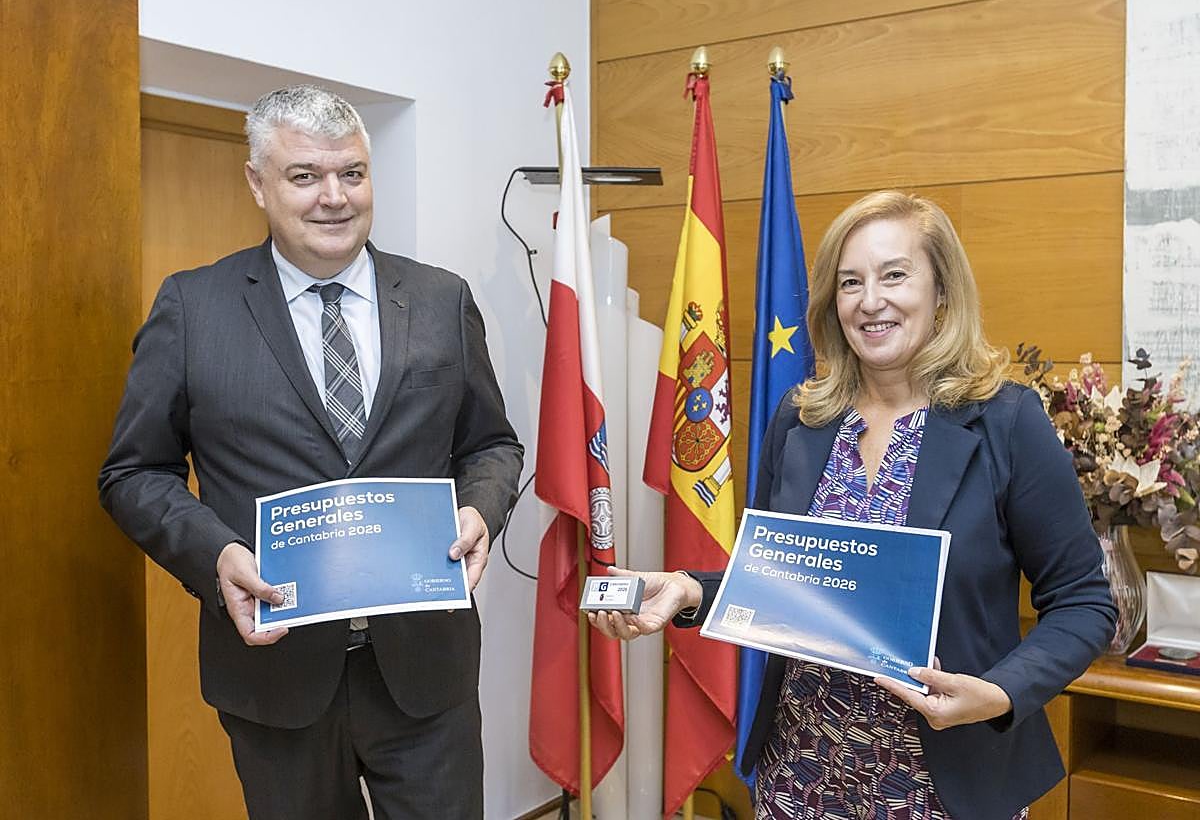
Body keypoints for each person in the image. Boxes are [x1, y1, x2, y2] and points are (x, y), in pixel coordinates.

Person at [591, 191, 1116, 820]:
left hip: (944, 783)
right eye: (850, 282)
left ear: (942, 290)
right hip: (802, 773)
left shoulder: (1006, 422)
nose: (871, 300)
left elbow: (1084, 601)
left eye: (894, 274)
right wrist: (686, 588)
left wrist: (999, 693)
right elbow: (786, 577)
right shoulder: (802, 418)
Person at [99, 84, 523, 820]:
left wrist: (481, 509)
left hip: (426, 673)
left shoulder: (440, 300)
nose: (335, 197)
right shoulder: (192, 309)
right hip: (275, 681)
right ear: (258, 183)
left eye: (352, 173)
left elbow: (490, 444)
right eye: (305, 176)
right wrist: (216, 555)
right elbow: (134, 472)